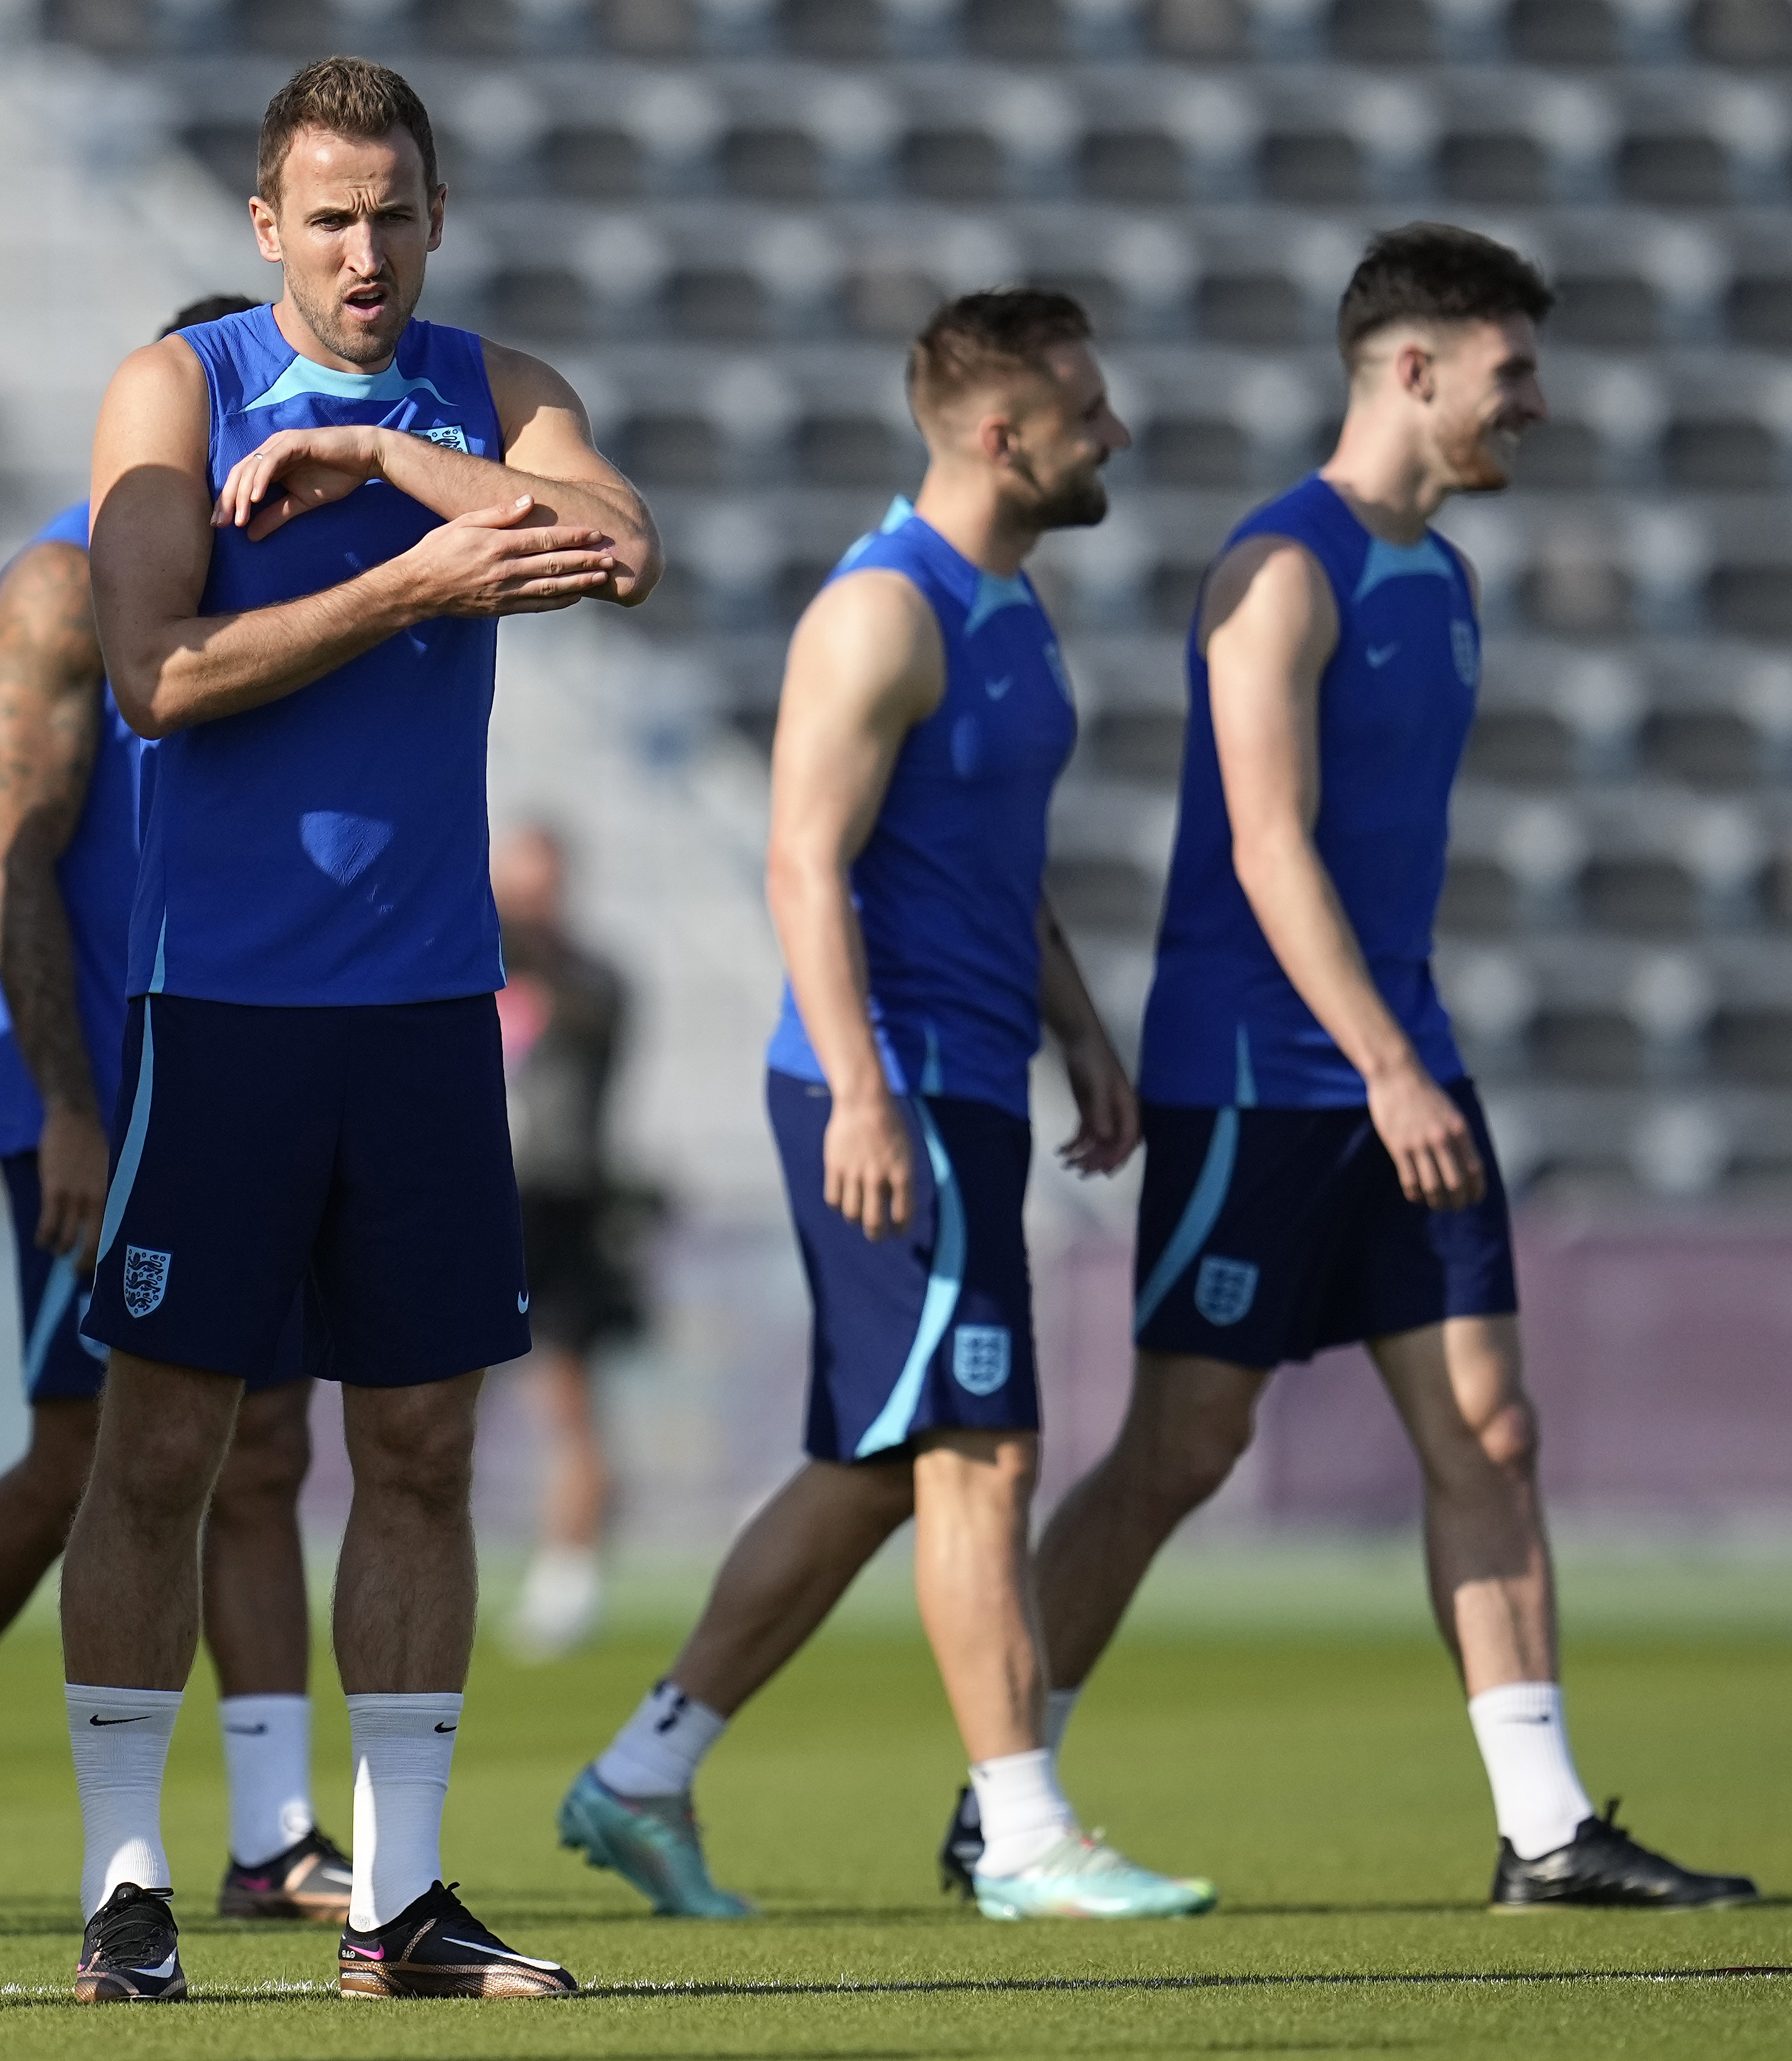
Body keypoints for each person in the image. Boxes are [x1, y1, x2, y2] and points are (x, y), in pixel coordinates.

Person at [944, 225, 1752, 1913]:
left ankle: (1544, 1831)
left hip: (1401, 1066)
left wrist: (1405, 1059)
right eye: (1509, 372)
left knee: (1493, 1425)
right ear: (1413, 367)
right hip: (1263, 1080)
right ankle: (997, 1788)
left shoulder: (1442, 581)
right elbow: (1263, 844)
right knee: (1184, 1449)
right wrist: (1381, 1061)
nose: (1530, 403)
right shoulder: (1276, 569)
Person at [66, 55, 658, 2003]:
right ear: (264, 227)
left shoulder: (486, 391)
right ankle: (127, 1882)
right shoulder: (182, 390)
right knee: (166, 1453)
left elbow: (613, 543)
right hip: (223, 1010)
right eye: (328, 215)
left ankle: (398, 1906)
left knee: (418, 1451)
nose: (365, 248)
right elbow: (154, 678)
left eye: (395, 212)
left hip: (423, 1021)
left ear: (436, 217)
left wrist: (400, 463)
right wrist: (416, 580)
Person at [559, 291, 1217, 1924]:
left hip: (972, 1078)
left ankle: (636, 1778)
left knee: (875, 1465)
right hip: (894, 1087)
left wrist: (1081, 1034)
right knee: (983, 1453)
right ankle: (1022, 1833)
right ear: (1002, 437)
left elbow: (996, 863)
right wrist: (859, 1090)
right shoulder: (883, 609)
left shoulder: (1007, 605)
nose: (1113, 433)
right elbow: (800, 859)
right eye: (1086, 409)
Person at [0, 293, 356, 1932]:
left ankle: (273, 1838)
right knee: (88, 1453)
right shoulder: (62, 587)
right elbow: (17, 861)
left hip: (241, 1075)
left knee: (266, 1448)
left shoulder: (282, 583)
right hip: (85, 1094)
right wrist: (67, 1104)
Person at [492, 823, 644, 1662]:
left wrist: (533, 957)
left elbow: (590, 1030)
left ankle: (568, 1582)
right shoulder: (465, 967)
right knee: (433, 1400)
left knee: (565, 1399)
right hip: (472, 1203)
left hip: (554, 1206)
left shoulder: (591, 980)